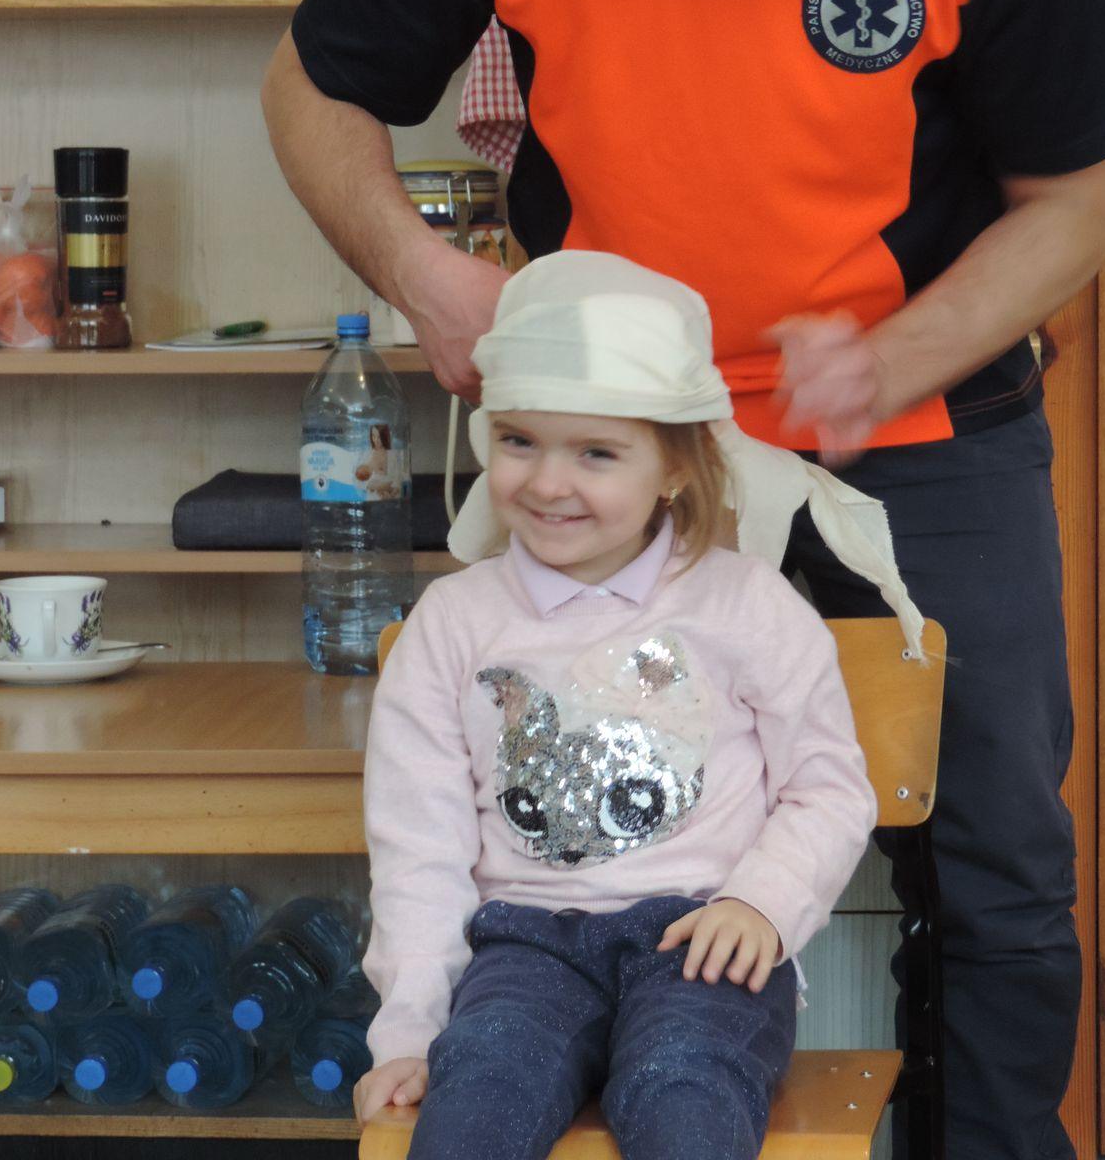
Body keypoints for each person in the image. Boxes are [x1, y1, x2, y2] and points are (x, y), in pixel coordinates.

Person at [263, 0, 1105, 1156]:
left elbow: (1081, 191)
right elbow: (312, 85)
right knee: (554, 818)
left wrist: (895, 357)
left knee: (1002, 856)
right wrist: (419, 271)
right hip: (613, 441)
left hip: (915, 426)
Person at [354, 250, 891, 1160]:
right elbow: (419, 849)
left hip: (703, 943)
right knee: (478, 1090)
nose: (547, 482)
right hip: (521, 954)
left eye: (596, 453)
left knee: (685, 1091)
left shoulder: (750, 607)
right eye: (519, 441)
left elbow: (827, 788)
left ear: (675, 465)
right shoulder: (450, 624)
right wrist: (409, 1032)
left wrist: (761, 905)